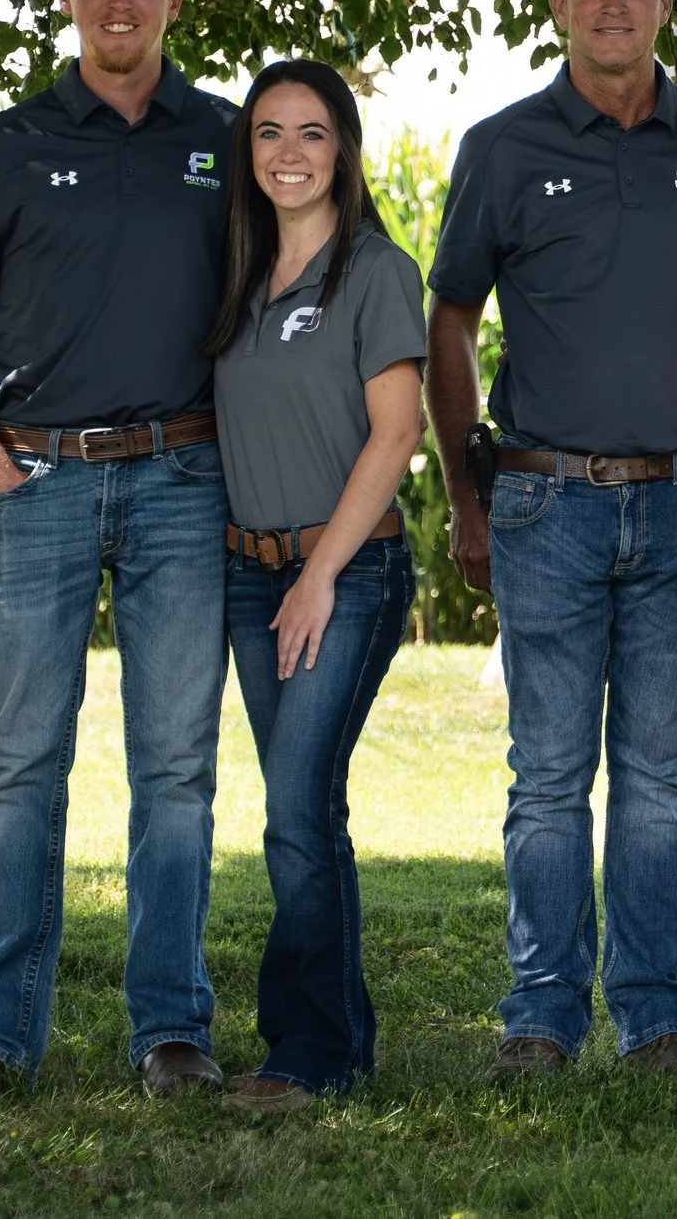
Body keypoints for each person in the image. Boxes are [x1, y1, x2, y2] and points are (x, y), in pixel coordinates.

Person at [423, 0, 677, 1083]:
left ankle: (659, 1017)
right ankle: (541, 1017)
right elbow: (449, 319)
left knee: (658, 783)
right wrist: (469, 487)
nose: (613, 4)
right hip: (542, 502)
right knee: (550, 778)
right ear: (557, 6)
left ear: (665, 5)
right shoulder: (505, 147)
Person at [0, 0, 238, 1103]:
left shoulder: (220, 138)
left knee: (175, 771)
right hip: (38, 480)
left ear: (170, 1)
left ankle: (171, 1033)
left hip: (181, 479)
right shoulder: (4, 145)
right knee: (20, 770)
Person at [204, 60, 428, 1113]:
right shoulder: (239, 275)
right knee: (304, 809)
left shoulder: (373, 270)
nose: (288, 154)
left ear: (343, 149)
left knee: (295, 807)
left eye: (311, 134)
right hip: (251, 577)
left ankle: (309, 1053)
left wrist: (320, 577)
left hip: (348, 571)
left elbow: (398, 432)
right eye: (267, 135)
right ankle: (341, 1040)